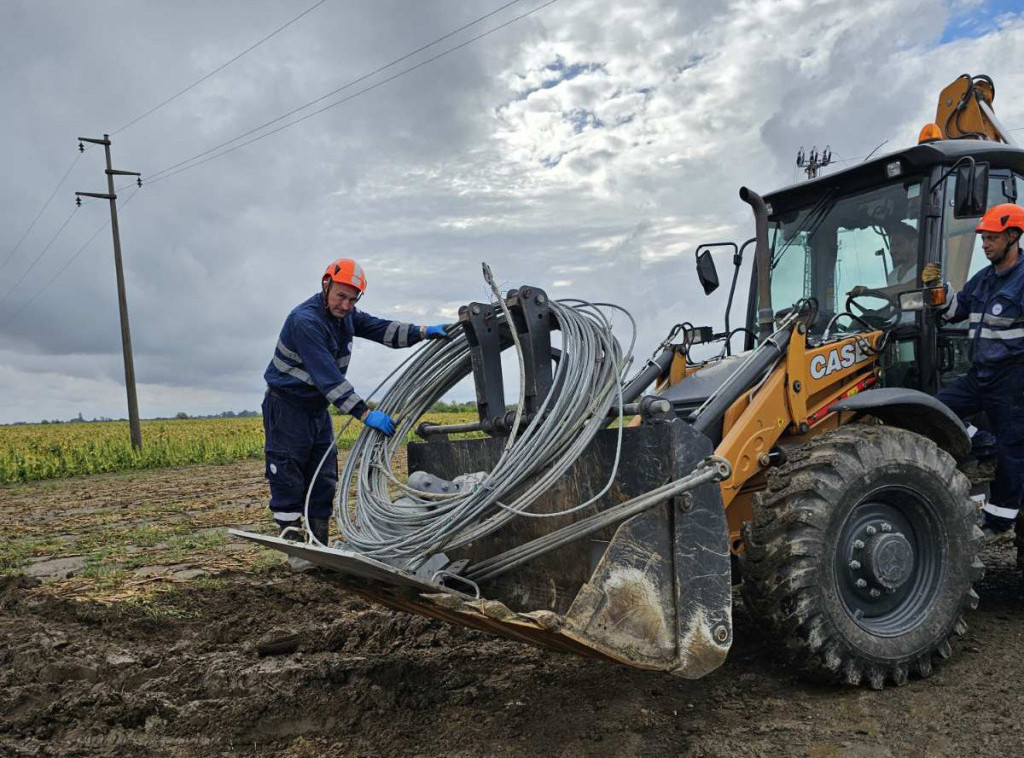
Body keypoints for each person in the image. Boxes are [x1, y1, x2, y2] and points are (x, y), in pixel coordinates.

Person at [262, 258, 450, 551]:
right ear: (326, 285)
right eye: (341, 296)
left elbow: (382, 329)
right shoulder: (306, 321)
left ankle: (318, 545)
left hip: (315, 408)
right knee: (289, 472)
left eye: (353, 299)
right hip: (287, 406)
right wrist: (364, 413)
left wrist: (423, 331)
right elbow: (327, 377)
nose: (346, 305)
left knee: (323, 476)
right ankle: (292, 539)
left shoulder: (345, 316)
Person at [925, 203, 1024, 534]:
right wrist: (938, 291)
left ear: (1013, 236)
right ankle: (983, 442)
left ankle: (999, 519)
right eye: (983, 239)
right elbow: (956, 310)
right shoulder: (983, 280)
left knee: (1013, 449)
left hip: (1013, 376)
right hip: (980, 373)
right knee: (937, 409)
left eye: (992, 239)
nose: (984, 245)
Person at [847, 222, 919, 299]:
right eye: (892, 245)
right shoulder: (892, 275)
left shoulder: (926, 270)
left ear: (914, 244)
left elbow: (907, 288)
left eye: (899, 244)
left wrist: (867, 292)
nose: (894, 250)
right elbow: (892, 303)